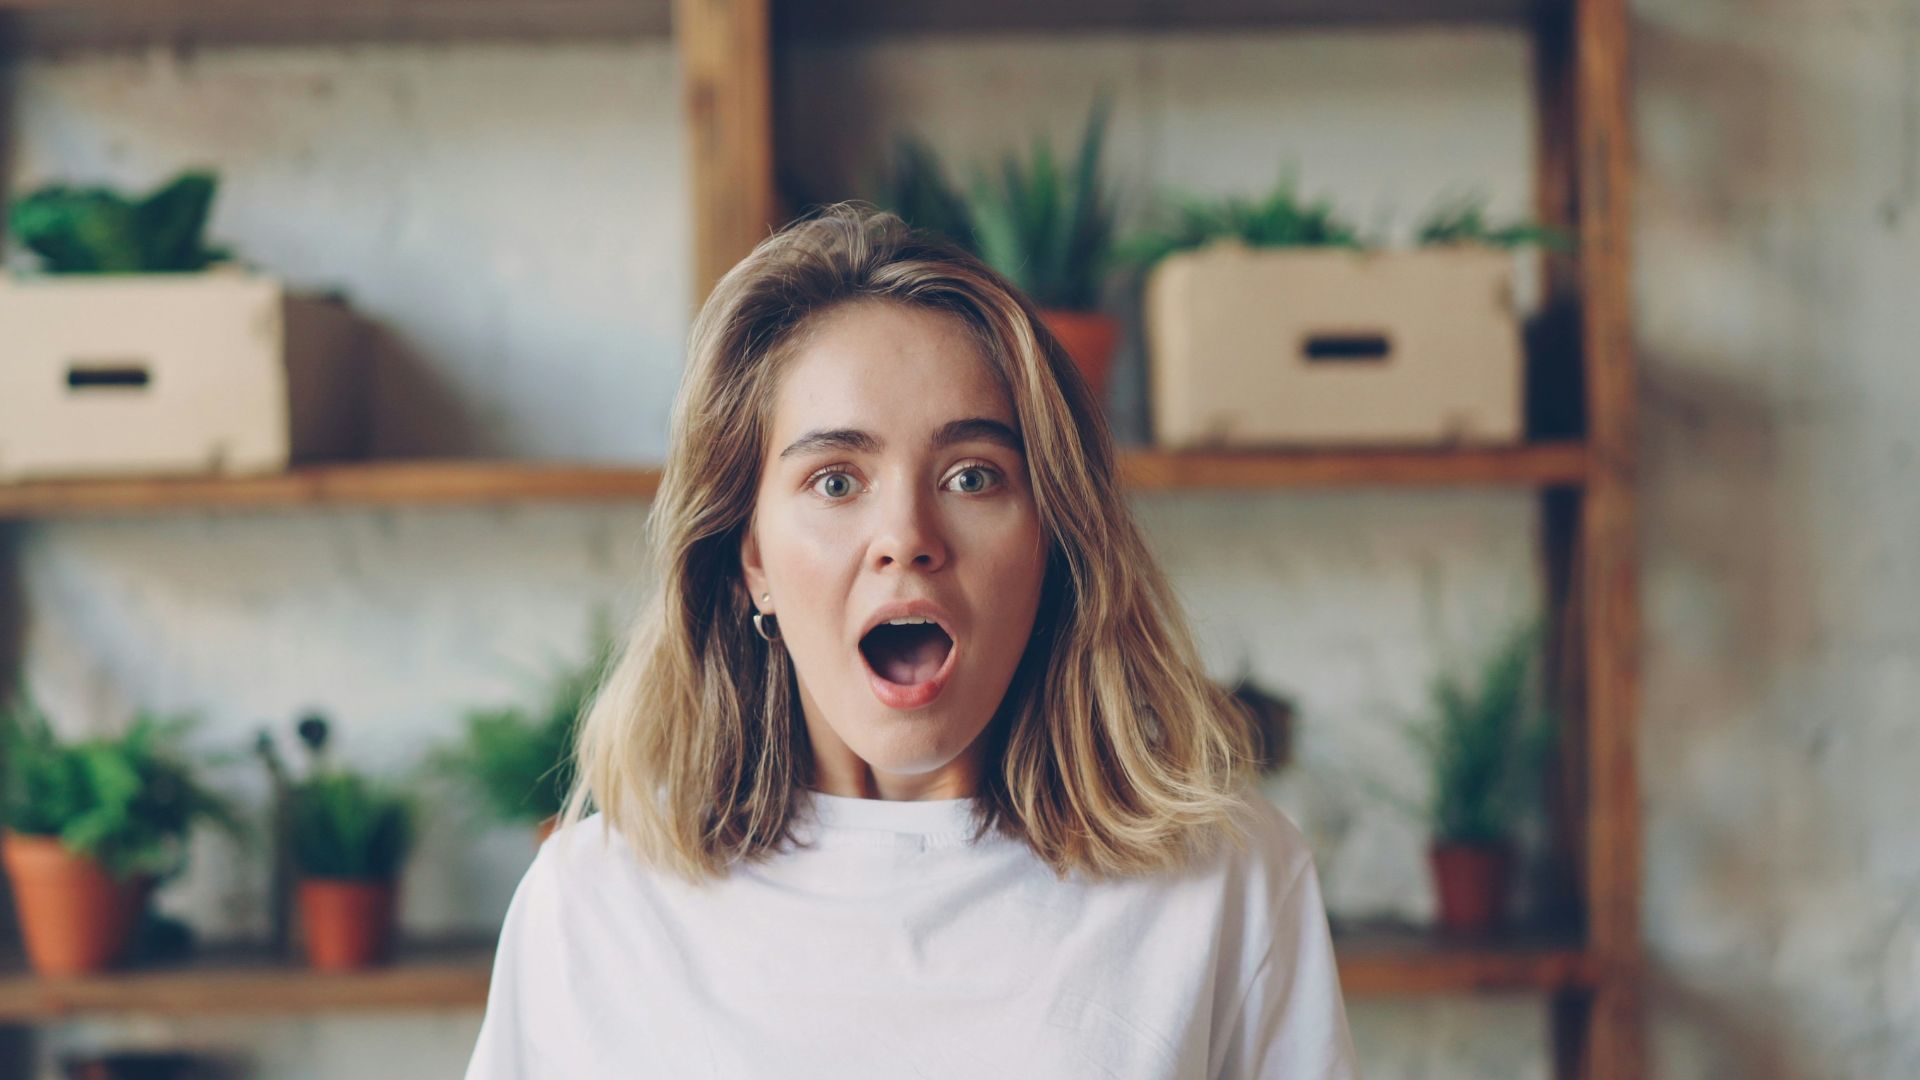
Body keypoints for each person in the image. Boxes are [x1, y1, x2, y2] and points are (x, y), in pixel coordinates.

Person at [463, 204, 1359, 1079]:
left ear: (1054, 542)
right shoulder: (593, 905)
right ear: (753, 559)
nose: (907, 536)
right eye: (836, 481)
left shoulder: (1228, 880)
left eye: (972, 477)